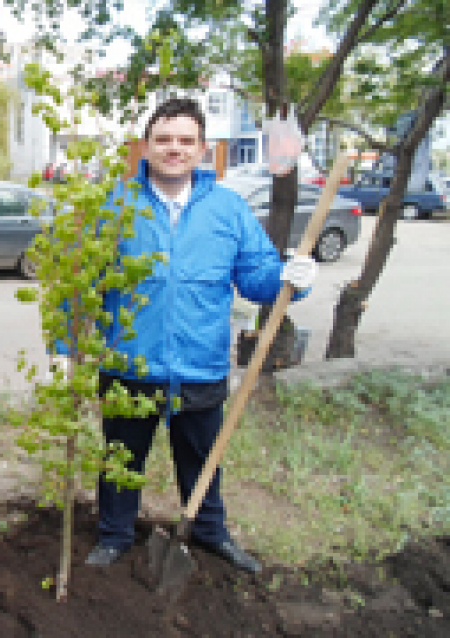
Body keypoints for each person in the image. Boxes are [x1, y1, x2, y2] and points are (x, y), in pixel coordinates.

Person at [77, 98, 317, 574]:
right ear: (146, 147)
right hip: (130, 363)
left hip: (199, 363)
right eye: (164, 140)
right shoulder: (115, 206)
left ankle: (209, 531)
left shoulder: (226, 208)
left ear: (203, 149)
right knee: (120, 461)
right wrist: (65, 347)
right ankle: (115, 534)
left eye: (186, 140)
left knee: (202, 459)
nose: (174, 149)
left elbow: (255, 274)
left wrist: (291, 276)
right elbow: (82, 281)